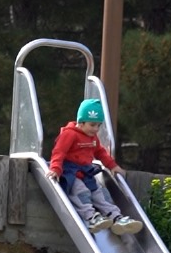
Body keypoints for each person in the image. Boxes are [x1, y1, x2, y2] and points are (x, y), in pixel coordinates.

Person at [45, 98, 143, 235]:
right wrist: (55, 168)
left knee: (100, 192)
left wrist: (113, 166)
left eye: (98, 126)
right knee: (81, 191)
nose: (96, 129)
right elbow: (59, 152)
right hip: (70, 173)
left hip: (86, 172)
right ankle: (91, 217)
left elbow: (100, 153)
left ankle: (116, 217)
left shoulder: (92, 138)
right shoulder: (69, 134)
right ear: (81, 122)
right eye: (92, 125)